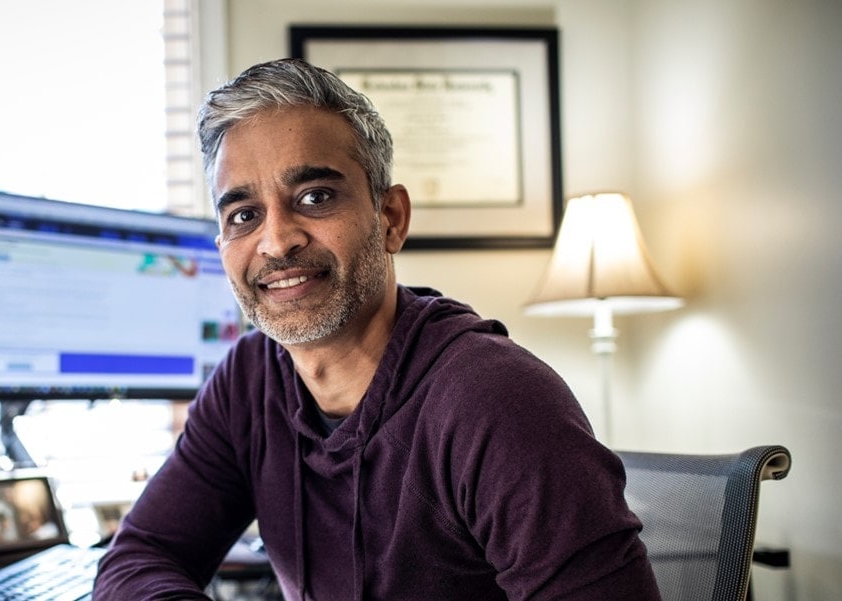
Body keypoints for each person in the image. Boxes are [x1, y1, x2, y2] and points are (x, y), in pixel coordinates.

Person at [93, 58, 660, 600]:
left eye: (315, 197)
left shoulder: (495, 402)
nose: (276, 240)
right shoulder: (248, 381)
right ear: (223, 246)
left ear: (390, 219)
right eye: (243, 215)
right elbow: (139, 556)